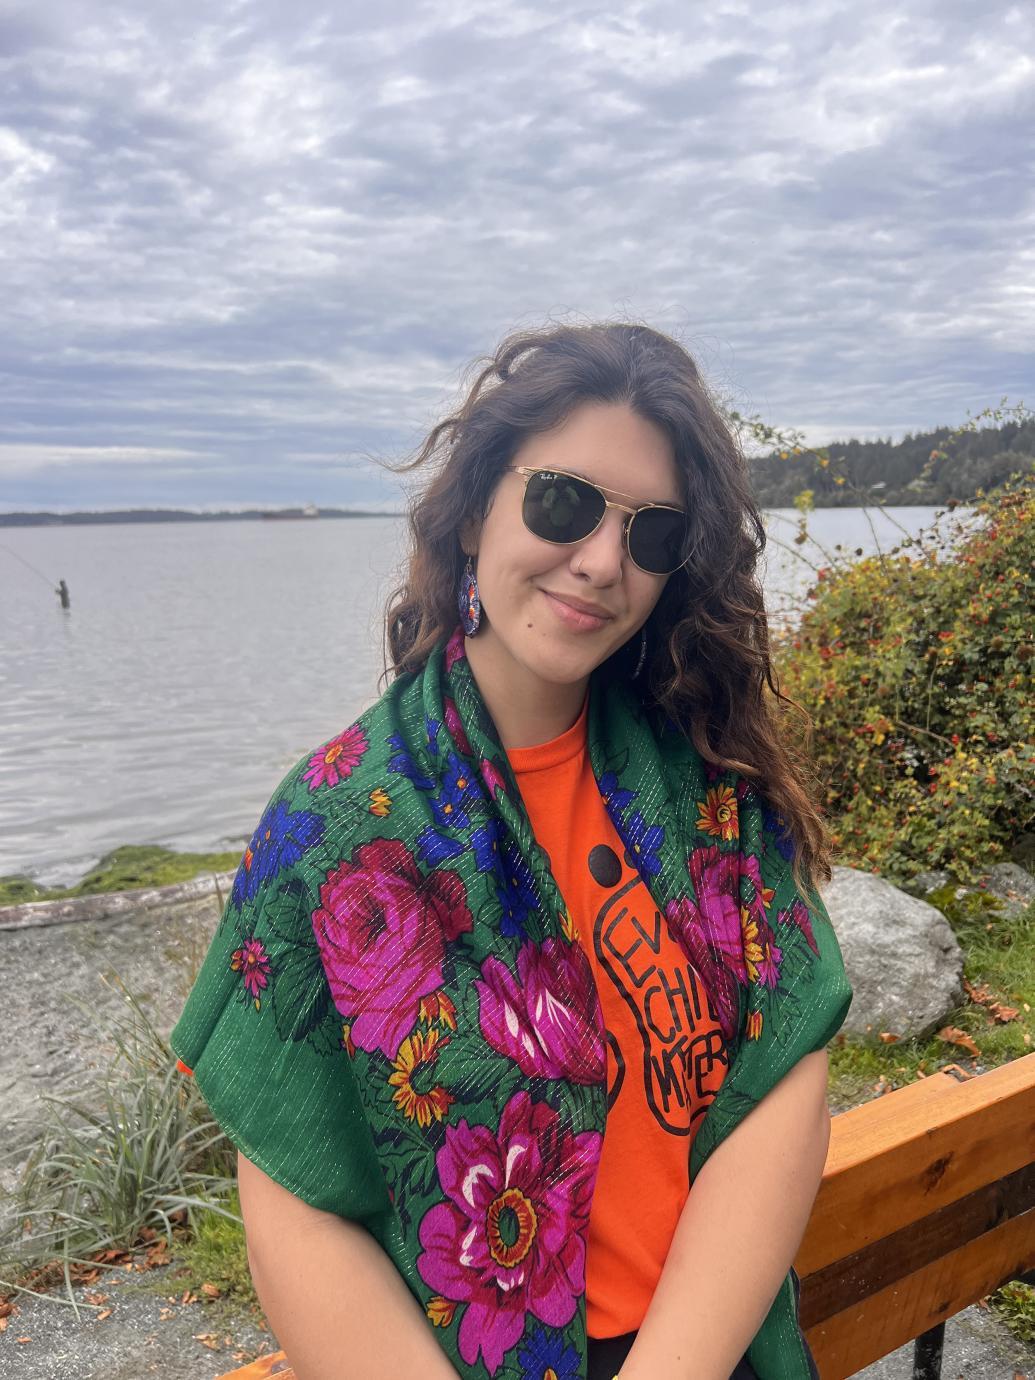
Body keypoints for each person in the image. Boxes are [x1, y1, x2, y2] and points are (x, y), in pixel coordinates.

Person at [171, 321, 853, 1380]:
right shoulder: (336, 825)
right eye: (564, 502)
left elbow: (783, 1070)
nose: (601, 562)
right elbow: (300, 1204)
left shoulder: (708, 787)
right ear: (479, 499)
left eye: (654, 533)